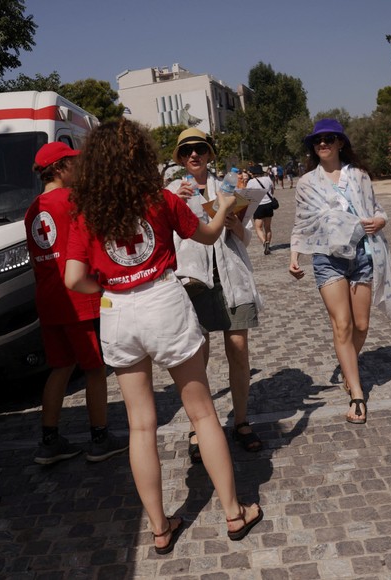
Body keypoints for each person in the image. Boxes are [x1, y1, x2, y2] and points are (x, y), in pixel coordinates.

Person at [64, 119, 262, 554]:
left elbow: (74, 278)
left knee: (140, 425)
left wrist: (111, 289)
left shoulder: (84, 211)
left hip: (118, 310)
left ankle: (159, 527)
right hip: (163, 301)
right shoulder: (161, 199)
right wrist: (225, 202)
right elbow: (209, 235)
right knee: (203, 414)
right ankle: (233, 512)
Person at [288, 119, 391, 425]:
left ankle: (348, 364)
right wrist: (295, 255)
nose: (322, 144)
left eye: (328, 139)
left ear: (339, 143)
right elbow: (302, 222)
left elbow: (377, 209)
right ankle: (357, 393)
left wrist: (381, 221)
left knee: (361, 325)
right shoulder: (307, 182)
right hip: (328, 258)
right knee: (342, 324)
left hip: (363, 254)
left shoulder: (360, 176)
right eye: (317, 140)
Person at [25, 142, 128, 465]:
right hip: (79, 299)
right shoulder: (73, 201)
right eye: (72, 162)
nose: (78, 167)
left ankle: (49, 440)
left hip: (49, 298)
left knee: (60, 367)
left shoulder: (32, 209)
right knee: (95, 369)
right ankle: (99, 437)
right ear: (58, 168)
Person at [166, 129, 264, 461]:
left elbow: (246, 238)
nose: (194, 154)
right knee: (198, 360)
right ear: (180, 158)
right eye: (187, 151)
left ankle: (241, 422)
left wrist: (236, 224)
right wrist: (176, 205)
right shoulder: (169, 192)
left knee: (238, 352)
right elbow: (164, 241)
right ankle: (199, 427)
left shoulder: (227, 187)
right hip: (193, 283)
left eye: (200, 149)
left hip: (232, 278)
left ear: (209, 154)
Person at [246, 165, 276, 255]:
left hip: (258, 205)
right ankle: (268, 243)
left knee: (258, 228)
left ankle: (264, 242)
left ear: (253, 173)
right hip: (269, 204)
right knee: (268, 227)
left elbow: (248, 194)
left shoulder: (251, 182)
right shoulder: (267, 179)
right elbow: (272, 190)